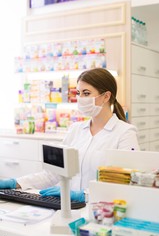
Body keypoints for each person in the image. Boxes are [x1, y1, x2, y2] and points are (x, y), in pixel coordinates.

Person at [0, 68, 139, 201]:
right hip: (68, 207)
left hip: (99, 210)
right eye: (78, 93)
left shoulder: (125, 133)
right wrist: (17, 183)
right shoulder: (75, 130)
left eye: (86, 93)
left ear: (106, 96)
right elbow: (53, 173)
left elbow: (125, 182)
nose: (80, 98)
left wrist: (84, 195)